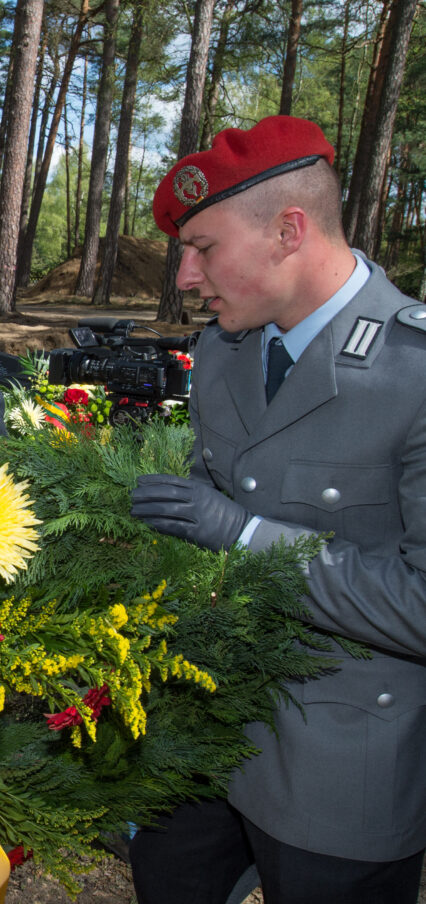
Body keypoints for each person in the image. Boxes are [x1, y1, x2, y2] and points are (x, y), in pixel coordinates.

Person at [128, 116, 426, 904]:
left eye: (204, 248)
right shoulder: (228, 354)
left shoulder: (414, 372)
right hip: (201, 741)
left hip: (340, 767)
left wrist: (249, 537)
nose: (186, 276)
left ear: (289, 231)